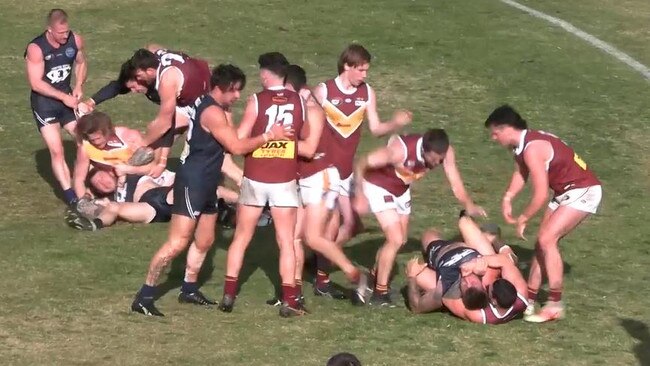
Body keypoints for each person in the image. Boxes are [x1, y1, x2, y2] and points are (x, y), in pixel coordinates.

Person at [130, 64, 292, 316]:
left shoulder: (215, 107)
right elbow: (236, 147)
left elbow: (230, 140)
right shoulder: (212, 113)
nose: (238, 96)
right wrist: (270, 135)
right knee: (177, 242)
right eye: (235, 90)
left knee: (205, 239)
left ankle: (189, 288)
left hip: (207, 182)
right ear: (222, 88)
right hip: (192, 182)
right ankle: (144, 296)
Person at [484, 104, 602, 323]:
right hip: (566, 192)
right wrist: (508, 197)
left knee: (548, 240)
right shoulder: (522, 145)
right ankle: (529, 300)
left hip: (583, 190)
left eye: (495, 132)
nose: (493, 138)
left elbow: (539, 195)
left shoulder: (532, 149)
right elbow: (521, 171)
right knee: (541, 244)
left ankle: (555, 304)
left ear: (507, 128)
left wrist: (523, 218)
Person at [311, 43, 412, 289]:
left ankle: (320, 263)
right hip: (325, 169)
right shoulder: (323, 91)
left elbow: (376, 128)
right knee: (334, 221)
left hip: (347, 171)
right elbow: (309, 124)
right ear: (347, 66)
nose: (365, 75)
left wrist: (394, 123)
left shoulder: (367, 93)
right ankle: (321, 276)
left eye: (367, 70)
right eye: (361, 70)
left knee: (349, 224)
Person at [218, 53, 308, 317]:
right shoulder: (299, 102)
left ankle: (229, 294)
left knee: (242, 237)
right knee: (286, 241)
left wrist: (262, 138)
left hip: (256, 176)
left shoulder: (257, 100)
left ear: (267, 74)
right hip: (284, 178)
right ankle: (290, 299)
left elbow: (241, 138)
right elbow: (301, 138)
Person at [353, 128, 486, 306]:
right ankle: (380, 294)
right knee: (395, 239)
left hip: (400, 189)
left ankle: (373, 277)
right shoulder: (398, 151)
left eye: (440, 160)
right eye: (433, 160)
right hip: (377, 186)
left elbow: (454, 180)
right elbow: (361, 162)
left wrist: (469, 204)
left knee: (402, 240)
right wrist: (359, 193)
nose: (436, 163)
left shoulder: (445, 152)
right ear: (423, 149)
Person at [405, 214, 528, 324]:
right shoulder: (521, 293)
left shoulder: (475, 313)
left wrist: (412, 277)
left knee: (428, 237)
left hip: (443, 258)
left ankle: (485, 238)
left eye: (465, 284)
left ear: (493, 300)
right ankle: (492, 239)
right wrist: (476, 262)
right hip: (471, 254)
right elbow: (505, 261)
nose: (467, 279)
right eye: (475, 283)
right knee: (465, 221)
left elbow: (420, 306)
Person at [25, 8, 87, 205]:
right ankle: (71, 197)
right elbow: (36, 83)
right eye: (60, 33)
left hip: (67, 100)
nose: (64, 36)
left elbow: (81, 63)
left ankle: (84, 183)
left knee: (84, 140)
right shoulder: (36, 48)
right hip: (45, 104)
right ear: (49, 30)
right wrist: (63, 97)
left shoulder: (75, 40)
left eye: (66, 32)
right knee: (57, 150)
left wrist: (78, 86)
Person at [126, 47, 211, 176]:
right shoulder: (156, 55)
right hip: (194, 91)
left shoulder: (167, 81)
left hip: (203, 102)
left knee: (201, 157)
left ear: (149, 71)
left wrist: (142, 143)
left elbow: (164, 124)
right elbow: (152, 46)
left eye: (139, 76)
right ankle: (153, 169)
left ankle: (240, 181)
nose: (139, 80)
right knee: (156, 136)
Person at [71, 111, 150, 198]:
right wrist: (83, 203)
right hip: (114, 177)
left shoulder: (129, 137)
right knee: (101, 181)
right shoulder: (85, 148)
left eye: (98, 138)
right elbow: (79, 179)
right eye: (92, 140)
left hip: (142, 176)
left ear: (108, 131)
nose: (96, 142)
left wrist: (128, 170)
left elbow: (153, 167)